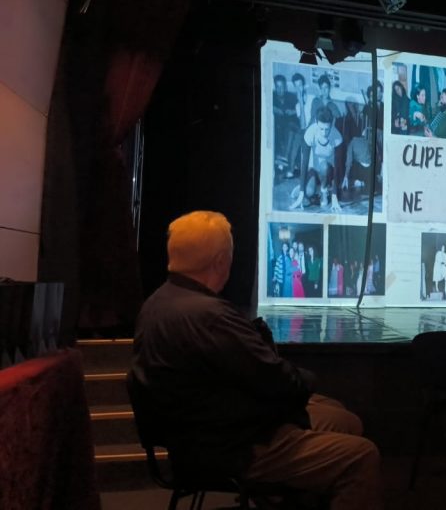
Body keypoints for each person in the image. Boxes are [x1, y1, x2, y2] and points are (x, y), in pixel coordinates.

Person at [131, 211, 380, 509]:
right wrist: (305, 379)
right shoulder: (210, 316)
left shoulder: (158, 302)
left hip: (200, 435)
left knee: (340, 417)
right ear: (221, 261)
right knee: (361, 455)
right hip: (232, 446)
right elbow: (280, 382)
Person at [290, 108, 343, 212]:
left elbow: (338, 167)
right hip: (314, 169)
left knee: (324, 166)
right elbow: (304, 163)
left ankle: (324, 190)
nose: (324, 133)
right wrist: (301, 194)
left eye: (327, 129)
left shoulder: (337, 137)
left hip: (328, 172)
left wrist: (334, 196)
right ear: (316, 122)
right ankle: (301, 188)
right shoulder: (310, 133)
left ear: (332, 124)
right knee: (309, 192)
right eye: (321, 129)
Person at [272, 75, 299, 176]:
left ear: (285, 87)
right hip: (278, 127)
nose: (280, 89)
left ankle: (283, 160)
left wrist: (293, 111)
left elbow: (300, 111)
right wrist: (273, 108)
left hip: (292, 125)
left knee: (290, 129)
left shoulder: (292, 97)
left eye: (282, 86)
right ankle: (284, 162)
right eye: (277, 87)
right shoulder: (272, 97)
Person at [341, 125, 374, 196]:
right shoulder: (365, 140)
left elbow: (349, 161)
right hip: (370, 169)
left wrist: (346, 176)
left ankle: (357, 181)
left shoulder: (352, 143)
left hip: (361, 170)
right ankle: (364, 181)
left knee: (350, 162)